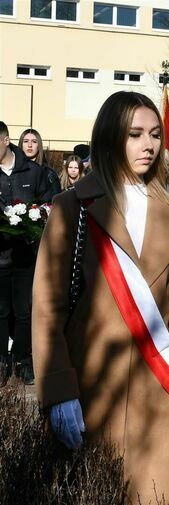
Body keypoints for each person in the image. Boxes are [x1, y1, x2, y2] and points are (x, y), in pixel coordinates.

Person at [31, 91, 169, 504]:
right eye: (134, 134)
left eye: (153, 134)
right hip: (94, 388)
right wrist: (59, 389)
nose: (148, 145)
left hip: (158, 394)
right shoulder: (71, 208)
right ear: (111, 138)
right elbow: (47, 310)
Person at [0, 121, 49, 385]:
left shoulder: (33, 171)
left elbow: (47, 204)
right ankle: (1, 362)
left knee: (23, 311)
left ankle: (23, 361)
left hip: (25, 257)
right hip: (0, 257)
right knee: (0, 312)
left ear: (6, 141)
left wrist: (37, 217)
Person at [18, 128, 61, 202]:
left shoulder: (49, 174)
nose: (30, 145)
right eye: (25, 141)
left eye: (34, 142)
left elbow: (57, 203)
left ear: (39, 146)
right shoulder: (11, 171)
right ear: (21, 145)